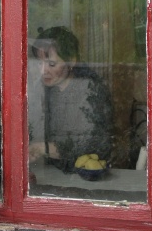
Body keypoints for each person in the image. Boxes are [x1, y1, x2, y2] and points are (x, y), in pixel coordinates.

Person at [29, 26, 113, 173]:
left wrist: (45, 148)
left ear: (72, 61)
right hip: (50, 173)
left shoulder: (91, 90)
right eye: (39, 63)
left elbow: (91, 145)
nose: (43, 71)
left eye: (52, 64)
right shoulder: (42, 89)